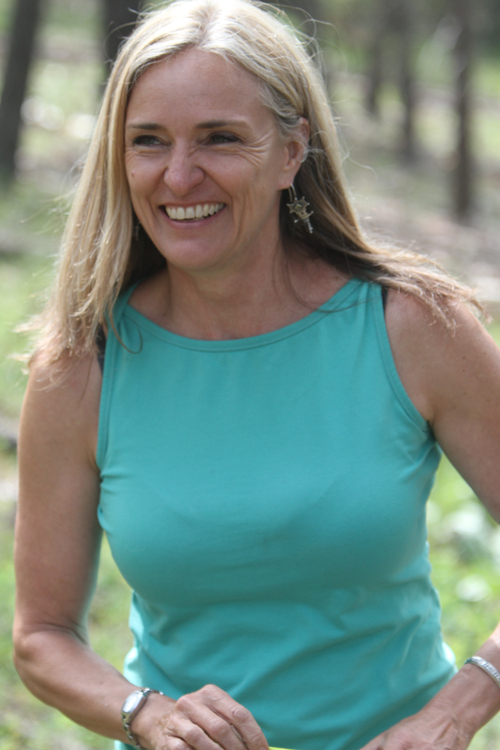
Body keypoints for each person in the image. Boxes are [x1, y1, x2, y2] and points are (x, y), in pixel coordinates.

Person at [12, 1, 500, 750]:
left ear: (290, 151)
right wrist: (148, 713)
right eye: (148, 141)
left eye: (220, 139)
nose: (179, 175)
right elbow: (42, 637)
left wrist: (454, 711)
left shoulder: (413, 327)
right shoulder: (84, 364)